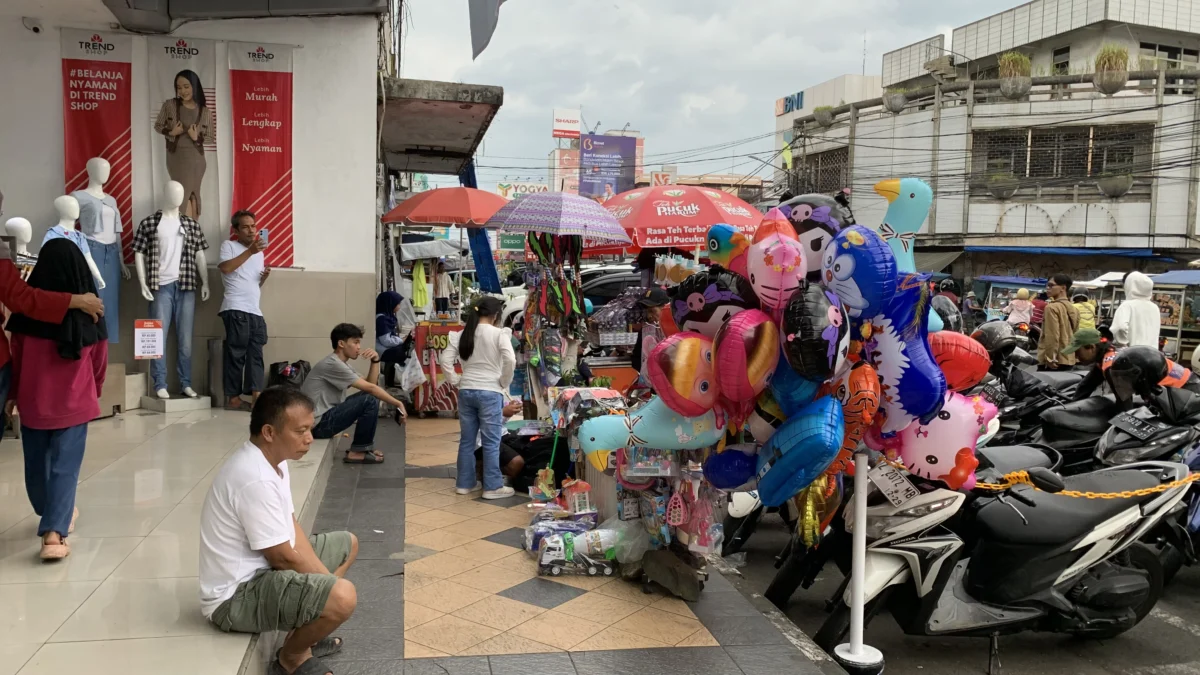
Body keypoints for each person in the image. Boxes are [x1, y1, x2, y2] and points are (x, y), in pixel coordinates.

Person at [199, 388, 358, 675]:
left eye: (310, 429)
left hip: (264, 572)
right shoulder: (254, 477)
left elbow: (292, 527)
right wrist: (329, 587)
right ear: (269, 432)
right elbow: (282, 558)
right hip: (235, 597)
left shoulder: (274, 461)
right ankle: (292, 656)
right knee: (342, 597)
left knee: (348, 544)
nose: (309, 438)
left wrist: (323, 583)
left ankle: (307, 632)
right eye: (301, 431)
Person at [7, 239, 108, 560]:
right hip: (75, 403)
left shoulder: (25, 319)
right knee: (65, 468)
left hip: (34, 404)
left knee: (36, 468)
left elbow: (17, 359)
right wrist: (95, 391)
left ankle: (51, 514)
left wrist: (13, 396)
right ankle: (54, 533)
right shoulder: (92, 314)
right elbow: (99, 361)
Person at [439, 296, 517, 499]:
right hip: (490, 391)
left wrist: (456, 380)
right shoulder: (499, 334)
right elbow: (510, 359)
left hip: (466, 391)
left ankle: (464, 484)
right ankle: (492, 487)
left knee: (467, 440)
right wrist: (503, 381)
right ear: (495, 315)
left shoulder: (462, 334)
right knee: (491, 440)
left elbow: (444, 359)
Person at [301, 324, 407, 465]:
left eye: (359, 343)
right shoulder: (332, 364)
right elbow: (371, 388)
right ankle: (358, 451)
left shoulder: (342, 364)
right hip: (318, 424)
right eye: (355, 342)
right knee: (369, 399)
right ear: (341, 344)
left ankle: (362, 448)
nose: (359, 347)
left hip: (324, 419)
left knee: (369, 397)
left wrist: (375, 360)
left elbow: (370, 383)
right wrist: (398, 403)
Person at [218, 210, 269, 412]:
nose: (251, 230)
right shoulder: (229, 246)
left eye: (253, 226)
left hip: (255, 310)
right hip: (236, 308)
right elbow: (225, 268)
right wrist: (250, 252)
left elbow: (253, 283)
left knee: (256, 354)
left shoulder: (259, 254)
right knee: (236, 354)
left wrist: (264, 277)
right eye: (246, 227)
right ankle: (233, 399)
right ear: (236, 230)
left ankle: (256, 396)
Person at [154, 69, 213, 219]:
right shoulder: (170, 105)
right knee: (181, 192)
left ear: (194, 86)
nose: (182, 91)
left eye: (186, 86)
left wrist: (196, 137)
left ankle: (192, 229)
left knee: (194, 192)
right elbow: (158, 126)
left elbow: (210, 137)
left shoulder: (205, 111)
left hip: (197, 159)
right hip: (177, 158)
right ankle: (182, 229)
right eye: (179, 87)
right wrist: (171, 132)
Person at [1037, 274, 1080, 370]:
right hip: (1069, 359)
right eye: (1047, 286)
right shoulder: (1074, 309)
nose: (1048, 288)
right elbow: (1076, 335)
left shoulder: (1051, 308)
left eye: (1051, 285)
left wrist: (1050, 358)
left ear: (1063, 288)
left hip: (1054, 361)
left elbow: (1052, 336)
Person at [375, 291, 414, 388]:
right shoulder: (382, 319)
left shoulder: (387, 316)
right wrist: (401, 340)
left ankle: (394, 379)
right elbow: (386, 341)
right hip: (382, 350)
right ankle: (392, 381)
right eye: (398, 303)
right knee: (400, 352)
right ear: (390, 303)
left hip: (384, 347)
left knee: (404, 349)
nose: (399, 306)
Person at [632, 287, 671, 387]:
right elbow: (637, 358)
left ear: (665, 307)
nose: (649, 316)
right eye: (647, 311)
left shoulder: (675, 329)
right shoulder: (647, 330)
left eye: (653, 311)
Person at [1112, 271, 1161, 348]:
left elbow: (1120, 327)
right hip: (1152, 354)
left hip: (1133, 353)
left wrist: (1124, 344)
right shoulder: (1155, 308)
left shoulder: (1127, 305)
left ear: (1129, 286)